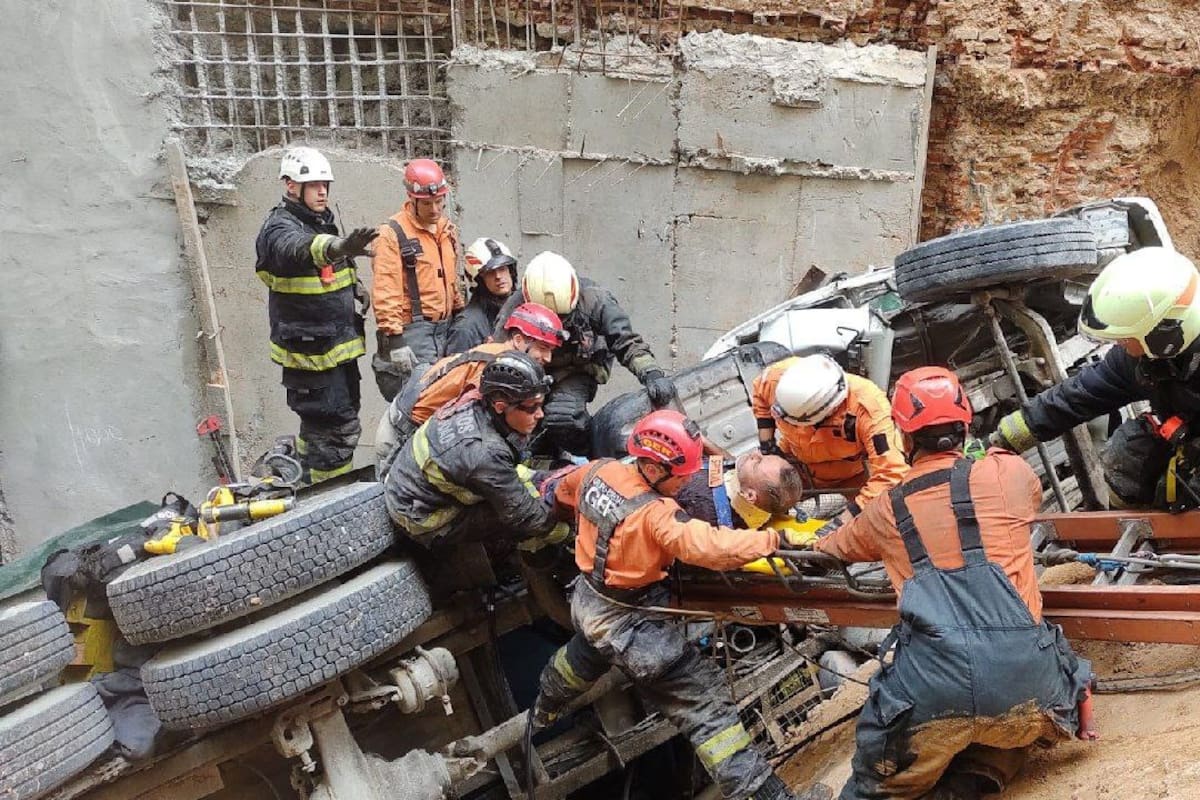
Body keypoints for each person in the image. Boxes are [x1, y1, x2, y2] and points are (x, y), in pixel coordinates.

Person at [811, 367, 1094, 800]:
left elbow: (831, 548)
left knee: (876, 785)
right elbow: (1024, 497)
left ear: (904, 439)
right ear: (966, 425)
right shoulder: (1012, 474)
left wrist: (816, 536)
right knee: (1009, 722)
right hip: (1031, 688)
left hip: (931, 691)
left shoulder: (884, 510)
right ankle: (975, 776)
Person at [532, 410, 829, 800]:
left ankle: (543, 710)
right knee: (712, 720)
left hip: (589, 601)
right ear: (655, 468)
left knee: (580, 658)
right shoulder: (657, 515)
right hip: (634, 629)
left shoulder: (598, 472)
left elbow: (554, 492)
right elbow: (709, 546)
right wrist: (776, 542)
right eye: (683, 473)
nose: (691, 479)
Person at [992, 246, 1200, 509]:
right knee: (1130, 454)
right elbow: (1082, 393)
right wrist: (1002, 440)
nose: (1121, 344)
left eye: (1126, 337)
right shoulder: (1142, 359)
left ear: (1165, 334)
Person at [254, 146, 378, 484]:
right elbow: (299, 249)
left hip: (332, 352)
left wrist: (355, 286)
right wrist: (338, 248)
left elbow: (327, 265)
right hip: (309, 359)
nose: (322, 191)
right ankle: (328, 495)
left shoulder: (320, 220)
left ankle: (315, 483)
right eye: (314, 184)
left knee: (337, 427)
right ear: (291, 186)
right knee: (333, 434)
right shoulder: (278, 228)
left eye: (325, 184)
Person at [493, 251, 677, 454]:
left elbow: (625, 340)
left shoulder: (596, 300)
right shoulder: (515, 306)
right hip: (534, 369)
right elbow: (500, 351)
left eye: (563, 318)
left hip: (578, 367)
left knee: (562, 415)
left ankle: (594, 455)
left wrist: (651, 373)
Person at [383, 351, 567, 551]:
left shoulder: (474, 400)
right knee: (515, 520)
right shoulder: (483, 453)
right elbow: (522, 513)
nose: (540, 414)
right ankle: (513, 564)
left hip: (412, 484)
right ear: (500, 406)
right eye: (532, 407)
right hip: (421, 518)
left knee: (525, 487)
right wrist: (566, 533)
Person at [374, 303, 567, 477]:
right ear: (518, 339)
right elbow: (466, 430)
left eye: (551, 350)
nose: (548, 357)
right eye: (542, 348)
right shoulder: (491, 370)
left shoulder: (497, 356)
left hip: (408, 422)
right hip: (400, 436)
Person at [753, 354, 907, 531]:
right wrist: (768, 447)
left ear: (827, 412)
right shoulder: (777, 379)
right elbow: (760, 396)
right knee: (758, 491)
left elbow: (892, 472)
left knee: (881, 521)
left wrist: (841, 523)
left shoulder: (870, 410)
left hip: (850, 475)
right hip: (795, 461)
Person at [371, 158, 464, 401]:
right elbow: (386, 290)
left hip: (446, 329)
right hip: (413, 334)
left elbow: (450, 279)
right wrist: (395, 339)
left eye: (438, 202)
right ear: (412, 200)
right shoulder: (392, 234)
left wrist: (460, 312)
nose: (434, 209)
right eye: (427, 204)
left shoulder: (445, 230)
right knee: (416, 404)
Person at [674, 451, 807, 536]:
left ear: (749, 495)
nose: (756, 453)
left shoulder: (707, 513)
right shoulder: (741, 481)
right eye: (763, 456)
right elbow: (724, 462)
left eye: (757, 463)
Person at [446, 237, 519, 354]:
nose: (498, 276)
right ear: (478, 281)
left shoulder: (519, 311)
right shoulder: (467, 327)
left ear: (511, 272)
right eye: (490, 272)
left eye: (502, 268)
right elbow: (455, 371)